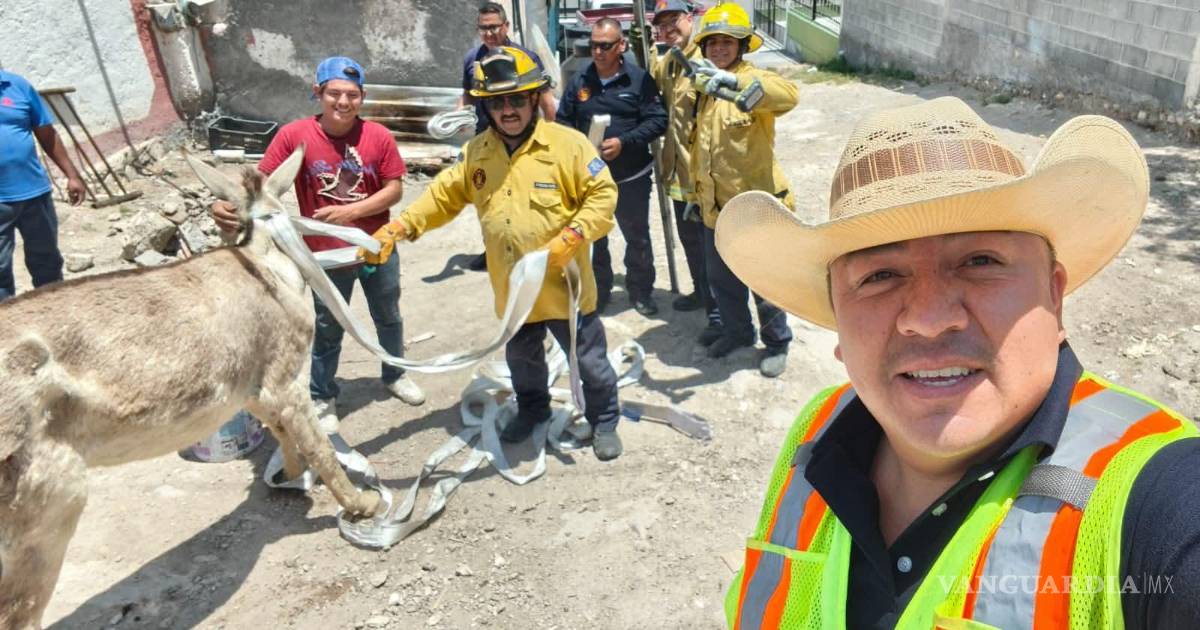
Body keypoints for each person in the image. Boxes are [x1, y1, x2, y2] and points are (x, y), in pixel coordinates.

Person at [714, 96, 1200, 628]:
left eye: (980, 261)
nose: (928, 318)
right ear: (838, 325)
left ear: (1054, 296)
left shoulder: (1160, 499)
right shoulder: (817, 431)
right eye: (879, 276)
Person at [365, 47, 625, 461]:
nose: (508, 110)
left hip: (564, 288)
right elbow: (443, 196)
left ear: (534, 98)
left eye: (517, 99)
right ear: (486, 107)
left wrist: (574, 235)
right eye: (497, 102)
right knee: (522, 360)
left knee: (589, 361)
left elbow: (602, 195)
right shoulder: (477, 153)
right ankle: (533, 409)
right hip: (514, 291)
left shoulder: (568, 146)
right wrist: (401, 227)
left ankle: (605, 419)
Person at [211, 57, 425, 433]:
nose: (343, 102)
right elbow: (261, 180)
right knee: (328, 326)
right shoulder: (294, 136)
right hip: (325, 255)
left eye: (352, 95)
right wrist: (225, 203)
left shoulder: (378, 136)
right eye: (334, 93)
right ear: (318, 93)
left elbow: (394, 189)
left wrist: (351, 211)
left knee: (388, 316)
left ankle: (395, 374)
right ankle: (323, 394)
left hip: (376, 247)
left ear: (362, 97)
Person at [688, 3, 796, 377]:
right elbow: (702, 149)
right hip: (715, 210)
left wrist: (735, 84)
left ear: (742, 46)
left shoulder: (753, 80)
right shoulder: (704, 86)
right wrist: (696, 197)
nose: (719, 49)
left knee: (765, 283)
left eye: (727, 42)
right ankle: (737, 333)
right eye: (712, 42)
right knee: (722, 280)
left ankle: (777, 342)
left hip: (755, 209)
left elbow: (788, 95)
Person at [556, 18, 667, 316]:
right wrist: (580, 148)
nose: (598, 52)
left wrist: (623, 142)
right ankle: (599, 292)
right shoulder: (580, 80)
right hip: (590, 180)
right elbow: (563, 122)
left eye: (605, 46)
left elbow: (658, 120)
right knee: (593, 239)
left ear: (621, 45)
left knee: (637, 238)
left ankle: (641, 292)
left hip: (631, 176)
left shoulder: (639, 80)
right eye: (594, 45)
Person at [457, 1, 557, 273]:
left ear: (506, 26)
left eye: (494, 27)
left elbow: (545, 99)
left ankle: (529, 249)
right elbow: (467, 95)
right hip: (486, 138)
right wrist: (458, 117)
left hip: (521, 138)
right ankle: (493, 250)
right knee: (487, 197)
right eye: (483, 28)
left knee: (525, 196)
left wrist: (552, 135)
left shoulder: (525, 58)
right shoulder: (472, 59)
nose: (489, 33)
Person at [644, 0, 722, 339]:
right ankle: (701, 293)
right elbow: (652, 82)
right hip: (677, 172)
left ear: (689, 19)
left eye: (673, 20)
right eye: (661, 25)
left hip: (704, 175)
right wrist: (644, 46)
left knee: (711, 247)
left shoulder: (705, 61)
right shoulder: (670, 63)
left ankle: (719, 314)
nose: (667, 29)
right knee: (690, 241)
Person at [0, 69, 87, 301]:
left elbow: (47, 134)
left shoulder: (18, 86)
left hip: (34, 195)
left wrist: (72, 175)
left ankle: (54, 311)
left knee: (47, 262)